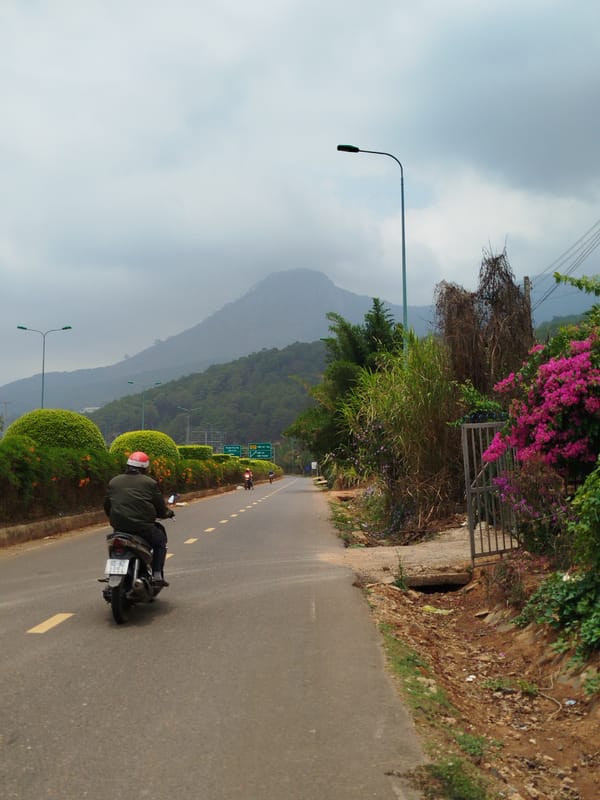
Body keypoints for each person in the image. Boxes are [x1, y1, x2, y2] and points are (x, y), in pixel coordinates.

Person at [103, 451, 174, 587]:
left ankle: (114, 574)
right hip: (143, 528)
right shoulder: (149, 483)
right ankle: (157, 574)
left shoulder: (114, 481)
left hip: (119, 528)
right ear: (145, 468)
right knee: (159, 543)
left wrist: (115, 517)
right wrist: (167, 513)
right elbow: (160, 507)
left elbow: (107, 505)